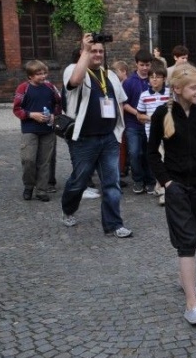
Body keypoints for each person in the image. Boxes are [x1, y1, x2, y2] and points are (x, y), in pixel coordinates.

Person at [146, 65, 196, 325]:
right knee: (186, 242)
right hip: (177, 188)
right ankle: (192, 305)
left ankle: (184, 279)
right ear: (177, 89)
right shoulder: (160, 115)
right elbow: (151, 153)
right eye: (195, 87)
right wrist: (167, 183)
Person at [60, 33, 133, 238]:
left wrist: (120, 129)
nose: (98, 54)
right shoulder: (72, 70)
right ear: (85, 53)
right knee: (79, 181)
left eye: (101, 51)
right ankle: (68, 208)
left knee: (112, 183)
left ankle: (113, 224)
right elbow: (75, 81)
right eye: (94, 51)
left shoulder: (109, 75)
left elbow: (119, 100)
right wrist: (85, 48)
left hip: (108, 138)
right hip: (84, 139)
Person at [12, 60, 62, 201]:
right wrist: (30, 115)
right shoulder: (23, 88)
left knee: (45, 161)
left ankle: (41, 190)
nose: (42, 76)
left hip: (48, 129)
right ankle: (29, 185)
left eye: (44, 73)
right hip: (30, 129)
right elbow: (17, 109)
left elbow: (59, 103)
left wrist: (54, 114)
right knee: (28, 159)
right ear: (30, 76)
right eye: (38, 74)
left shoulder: (50, 87)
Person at [122, 49, 155, 195]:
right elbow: (124, 103)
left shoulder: (153, 80)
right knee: (135, 153)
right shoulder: (129, 82)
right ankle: (138, 179)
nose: (145, 68)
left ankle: (150, 180)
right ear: (136, 64)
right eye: (142, 65)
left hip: (150, 124)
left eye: (147, 65)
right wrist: (138, 113)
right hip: (133, 124)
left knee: (149, 153)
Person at [137, 65, 171, 205]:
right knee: (160, 159)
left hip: (169, 132)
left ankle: (160, 186)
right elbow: (139, 116)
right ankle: (164, 191)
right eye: (152, 77)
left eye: (158, 77)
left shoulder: (170, 93)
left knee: (167, 160)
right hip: (152, 133)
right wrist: (152, 118)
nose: (155, 80)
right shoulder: (144, 95)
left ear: (164, 79)